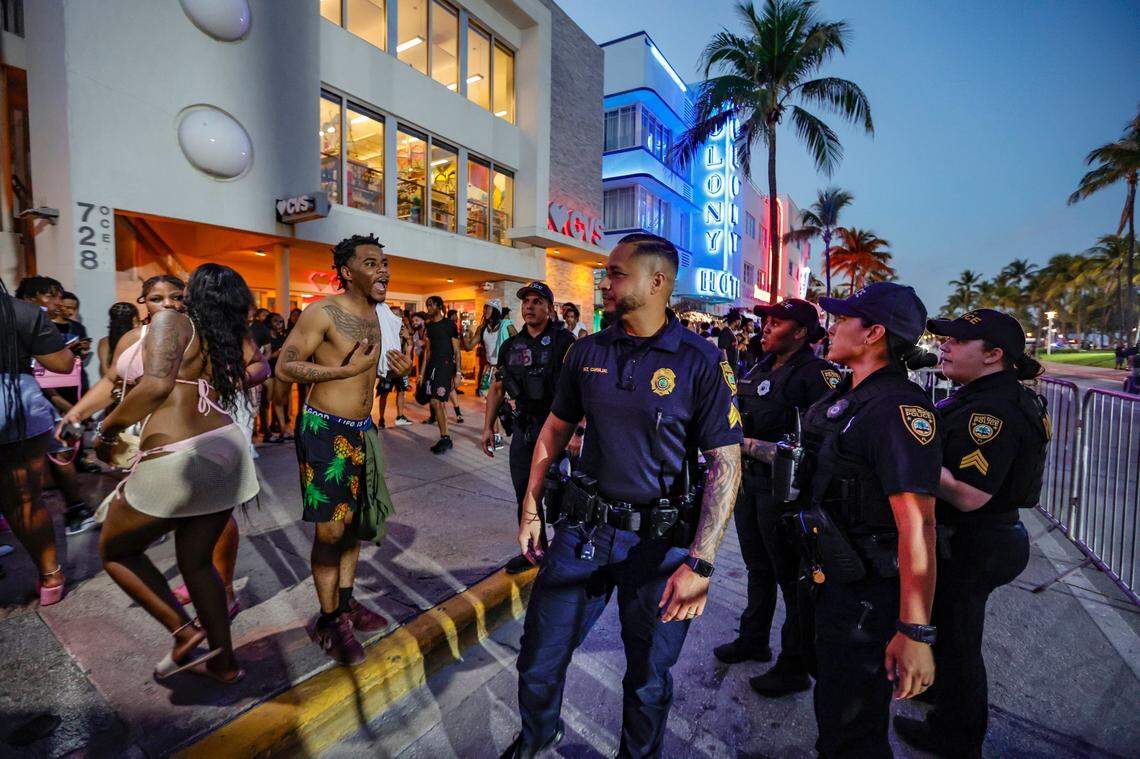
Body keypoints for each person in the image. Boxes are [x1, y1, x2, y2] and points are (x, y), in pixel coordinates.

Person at [503, 233, 743, 758]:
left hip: (659, 550)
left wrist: (701, 565)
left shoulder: (700, 360)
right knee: (539, 658)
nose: (602, 282)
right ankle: (539, 735)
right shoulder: (587, 350)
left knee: (647, 678)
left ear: (656, 281)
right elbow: (554, 429)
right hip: (582, 535)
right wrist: (530, 506)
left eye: (614, 273)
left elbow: (727, 463)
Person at [94, 264, 265, 684]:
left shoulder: (173, 323)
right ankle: (225, 664)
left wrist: (105, 429)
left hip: (179, 455)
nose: (174, 298)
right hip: (226, 448)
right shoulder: (216, 336)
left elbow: (154, 385)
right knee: (196, 563)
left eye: (183, 290)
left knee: (116, 551)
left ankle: (183, 631)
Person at [792, 282, 941, 757]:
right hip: (833, 575)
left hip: (867, 591)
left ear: (874, 333)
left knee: (853, 723)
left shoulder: (898, 408)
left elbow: (918, 525)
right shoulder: (853, 392)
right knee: (833, 698)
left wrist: (914, 630)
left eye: (844, 319)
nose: (833, 327)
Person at [893, 309, 1049, 759]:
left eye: (958, 341)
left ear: (993, 355)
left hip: (977, 540)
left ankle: (957, 738)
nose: (945, 345)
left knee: (961, 643)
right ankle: (936, 693)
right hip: (977, 538)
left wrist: (909, 453)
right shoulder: (984, 394)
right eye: (946, 338)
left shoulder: (992, 409)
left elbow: (969, 495)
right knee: (949, 631)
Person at [276, 234, 410, 666]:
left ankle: (345, 604)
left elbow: (377, 373)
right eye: (371, 263)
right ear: (347, 272)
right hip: (323, 428)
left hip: (361, 430)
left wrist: (396, 371)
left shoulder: (382, 315)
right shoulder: (323, 311)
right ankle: (329, 619)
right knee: (330, 530)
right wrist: (343, 370)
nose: (383, 270)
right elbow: (286, 364)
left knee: (352, 525)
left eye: (384, 263)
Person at [716, 299, 839, 700]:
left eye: (777, 321)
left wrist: (753, 446)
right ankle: (754, 639)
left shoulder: (817, 375)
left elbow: (822, 441)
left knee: (793, 580)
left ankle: (795, 664)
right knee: (757, 566)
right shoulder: (760, 366)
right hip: (751, 486)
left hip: (785, 494)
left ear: (801, 332)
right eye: (766, 320)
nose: (766, 327)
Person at [481, 282, 575, 576]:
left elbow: (578, 390)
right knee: (525, 494)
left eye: (537, 301)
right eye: (526, 302)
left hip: (558, 431)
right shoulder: (511, 346)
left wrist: (578, 433)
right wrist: (487, 427)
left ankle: (566, 553)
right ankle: (536, 551)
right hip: (524, 430)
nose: (529, 307)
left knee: (561, 495)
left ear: (549, 307)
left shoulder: (564, 341)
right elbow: (497, 387)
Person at [0, 278, 78, 605]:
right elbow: (61, 363)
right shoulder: (21, 312)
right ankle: (50, 577)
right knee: (25, 500)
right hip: (14, 407)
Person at [16, 276, 96, 534]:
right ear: (30, 299)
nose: (58, 302)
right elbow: (45, 367)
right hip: (34, 399)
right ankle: (74, 510)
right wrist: (61, 401)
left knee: (61, 451)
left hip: (45, 399)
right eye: (51, 296)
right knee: (55, 454)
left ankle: (75, 509)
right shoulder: (29, 319)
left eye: (59, 296)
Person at [420, 295, 463, 451]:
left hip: (445, 367)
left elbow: (457, 351)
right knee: (434, 402)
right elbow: (427, 351)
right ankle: (445, 436)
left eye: (430, 305)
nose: (428, 309)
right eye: (427, 306)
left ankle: (445, 438)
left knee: (438, 402)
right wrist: (421, 374)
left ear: (439, 306)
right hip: (432, 367)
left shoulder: (449, 325)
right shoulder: (429, 326)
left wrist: (458, 373)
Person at [374, 302, 413, 428]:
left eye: (398, 315)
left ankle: (400, 416)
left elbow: (410, 347)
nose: (396, 317)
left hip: (400, 366)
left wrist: (408, 339)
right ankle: (381, 418)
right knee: (384, 393)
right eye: (394, 314)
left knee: (401, 391)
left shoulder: (404, 330)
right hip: (389, 366)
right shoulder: (384, 329)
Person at [263, 313, 290, 442]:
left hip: (279, 372)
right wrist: (275, 354)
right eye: (276, 321)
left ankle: (282, 430)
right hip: (268, 372)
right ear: (269, 323)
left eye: (281, 321)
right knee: (266, 402)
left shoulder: (282, 337)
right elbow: (262, 357)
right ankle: (267, 432)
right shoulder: (266, 337)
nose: (279, 324)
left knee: (279, 401)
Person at [97, 303, 140, 377]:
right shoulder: (141, 340)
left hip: (110, 386)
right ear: (135, 321)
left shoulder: (104, 342)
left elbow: (105, 372)